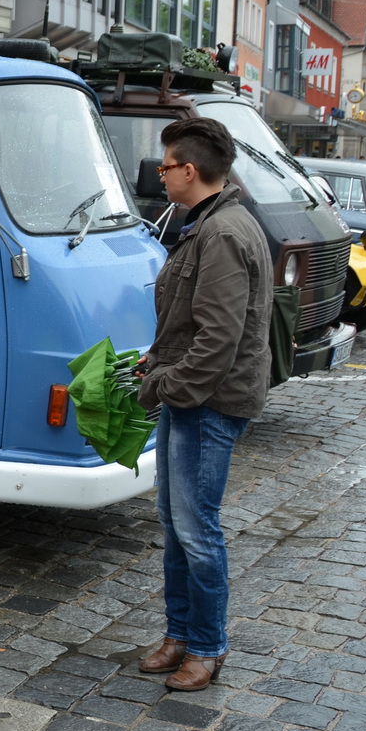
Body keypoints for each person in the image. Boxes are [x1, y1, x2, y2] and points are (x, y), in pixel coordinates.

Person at [136, 116, 270, 692]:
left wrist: (164, 386)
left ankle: (207, 646)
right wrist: (158, 363)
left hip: (207, 402)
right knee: (176, 522)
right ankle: (180, 634)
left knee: (196, 528)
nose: (160, 176)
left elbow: (218, 341)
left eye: (166, 167)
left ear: (190, 171)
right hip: (190, 395)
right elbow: (192, 325)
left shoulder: (223, 233)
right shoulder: (208, 224)